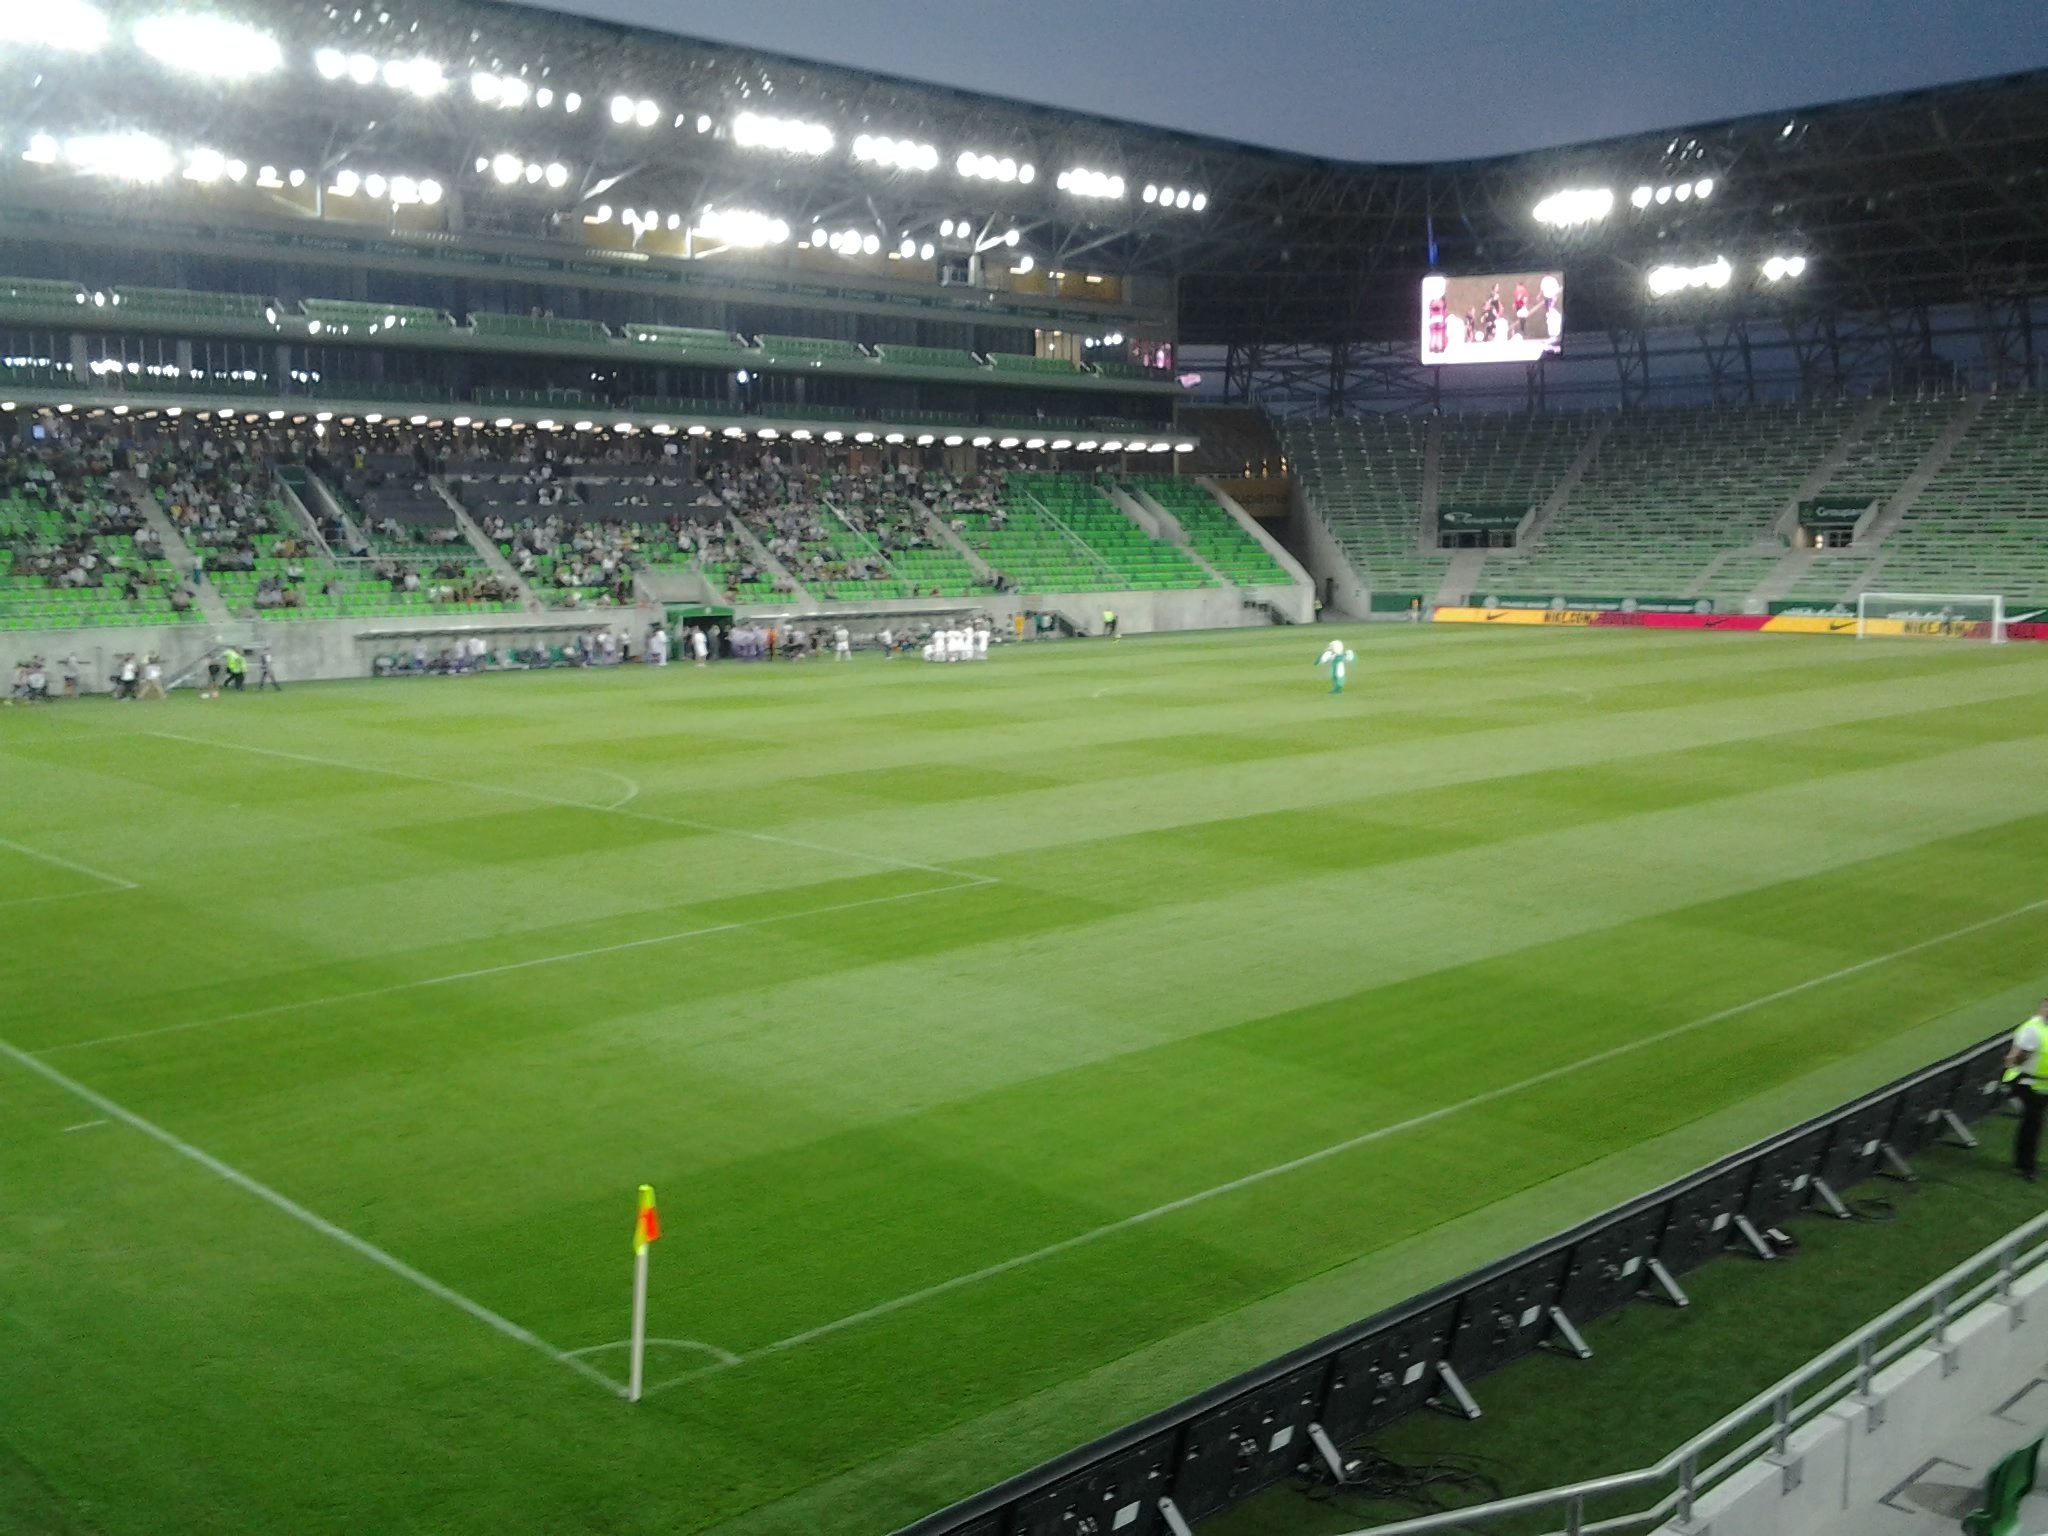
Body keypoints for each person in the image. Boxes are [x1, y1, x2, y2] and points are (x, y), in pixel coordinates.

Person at [2005, 1003, 2048, 1182]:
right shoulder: (2033, 1029)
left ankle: (2024, 1165)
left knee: (2033, 1123)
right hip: (2028, 1083)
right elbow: (2017, 1058)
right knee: (2033, 1123)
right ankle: (2025, 1166)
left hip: (2041, 1083)